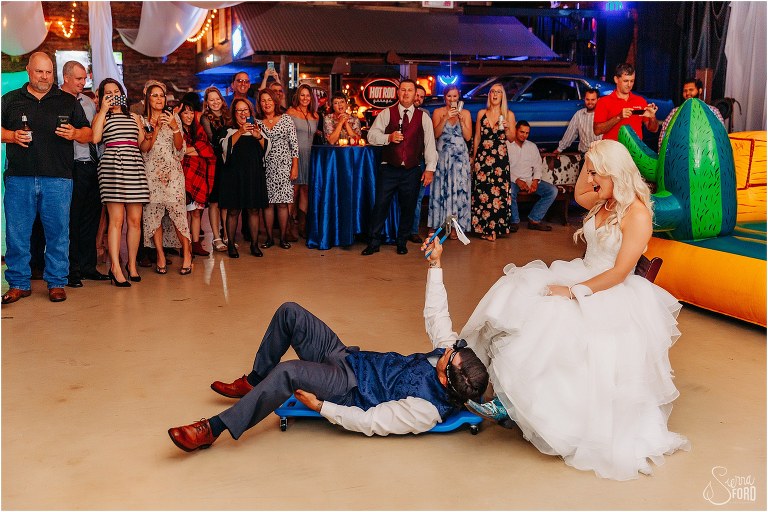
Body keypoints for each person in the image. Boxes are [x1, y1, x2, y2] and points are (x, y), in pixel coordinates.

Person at [461, 139, 690, 480]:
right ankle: (507, 395)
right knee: (522, 291)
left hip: (610, 289)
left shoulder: (637, 213)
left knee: (553, 317)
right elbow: (582, 192)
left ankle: (512, 404)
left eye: (598, 173)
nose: (591, 180)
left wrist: (574, 292)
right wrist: (588, 160)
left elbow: (619, 272)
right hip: (584, 273)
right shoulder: (604, 200)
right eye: (591, 172)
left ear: (615, 173)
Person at [167, 253, 489, 452]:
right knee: (290, 312)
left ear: (446, 380)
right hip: (347, 357)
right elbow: (437, 315)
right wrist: (435, 263)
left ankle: (214, 429)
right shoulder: (450, 355)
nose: (450, 348)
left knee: (289, 372)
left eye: (451, 355)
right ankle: (255, 381)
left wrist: (322, 407)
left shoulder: (426, 410)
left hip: (346, 388)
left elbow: (372, 421)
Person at [1, 52, 93, 304]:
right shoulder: (10, 100)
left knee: (58, 234)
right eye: (39, 71)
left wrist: (75, 133)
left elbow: (88, 133)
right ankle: (18, 284)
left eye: (49, 72)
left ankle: (56, 282)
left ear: (54, 73)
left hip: (58, 179)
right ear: (28, 71)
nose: (44, 77)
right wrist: (11, 136)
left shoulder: (67, 101)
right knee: (17, 235)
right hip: (19, 178)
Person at [363, 79, 438, 256]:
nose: (406, 93)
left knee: (408, 207)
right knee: (380, 205)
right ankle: (373, 242)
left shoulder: (423, 117)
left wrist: (430, 169)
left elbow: (430, 144)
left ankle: (401, 242)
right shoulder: (386, 113)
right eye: (403, 90)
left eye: (409, 90)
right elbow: (371, 136)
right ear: (398, 93)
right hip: (389, 168)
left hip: (412, 170)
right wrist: (388, 138)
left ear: (415, 94)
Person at [92, 78, 150, 286]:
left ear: (122, 93)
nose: (113, 95)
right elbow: (95, 138)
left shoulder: (134, 117)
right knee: (116, 221)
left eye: (116, 91)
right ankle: (115, 267)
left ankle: (131, 265)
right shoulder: (101, 117)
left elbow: (143, 146)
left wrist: (150, 136)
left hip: (135, 165)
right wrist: (103, 110)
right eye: (108, 93)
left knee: (135, 220)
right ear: (102, 97)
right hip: (112, 167)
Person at [59, 60, 110, 287]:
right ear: (66, 77)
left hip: (92, 164)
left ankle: (89, 267)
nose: (83, 82)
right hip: (71, 167)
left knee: (91, 218)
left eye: (84, 78)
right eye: (79, 78)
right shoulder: (57, 101)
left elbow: (95, 134)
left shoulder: (88, 102)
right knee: (72, 220)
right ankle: (71, 270)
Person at [139, 81, 193, 276]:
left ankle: (187, 254)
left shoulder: (174, 118)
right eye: (154, 95)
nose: (159, 99)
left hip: (173, 173)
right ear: (148, 99)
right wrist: (154, 129)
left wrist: (175, 127)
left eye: (161, 95)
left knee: (178, 215)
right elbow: (144, 149)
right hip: (152, 173)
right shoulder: (142, 120)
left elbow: (179, 148)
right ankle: (160, 255)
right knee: (154, 216)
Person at [218, 98, 269, 258]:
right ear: (234, 113)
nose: (243, 113)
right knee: (233, 210)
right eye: (239, 110)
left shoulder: (257, 128)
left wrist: (258, 137)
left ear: (250, 112)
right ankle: (231, 245)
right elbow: (224, 148)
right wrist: (240, 131)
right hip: (234, 176)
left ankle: (254, 245)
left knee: (254, 210)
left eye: (245, 110)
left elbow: (267, 149)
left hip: (253, 174)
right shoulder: (228, 130)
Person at [470, 82, 516, 242]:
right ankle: (484, 228)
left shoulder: (509, 114)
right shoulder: (481, 113)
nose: (495, 94)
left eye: (498, 92)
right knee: (482, 192)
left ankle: (495, 229)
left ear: (503, 96)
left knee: (498, 193)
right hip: (483, 157)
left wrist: (508, 128)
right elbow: (477, 137)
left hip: (499, 159)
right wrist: (474, 159)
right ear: (489, 95)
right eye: (492, 92)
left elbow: (512, 138)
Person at [256, 88, 299, 250]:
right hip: (265, 166)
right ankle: (269, 238)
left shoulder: (286, 119)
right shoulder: (257, 122)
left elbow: (294, 145)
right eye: (263, 100)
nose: (266, 103)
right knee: (268, 204)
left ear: (275, 101)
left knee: (282, 203)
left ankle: (282, 238)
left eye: (269, 100)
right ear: (260, 104)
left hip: (284, 166)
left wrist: (294, 167)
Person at [428, 84, 472, 236]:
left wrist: (461, 120)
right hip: (443, 155)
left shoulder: (465, 113)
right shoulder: (438, 112)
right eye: (449, 96)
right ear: (444, 97)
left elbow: (468, 137)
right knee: (441, 189)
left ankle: (455, 226)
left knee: (458, 190)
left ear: (458, 97)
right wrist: (445, 118)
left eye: (454, 96)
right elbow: (435, 134)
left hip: (460, 156)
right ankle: (437, 224)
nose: (452, 99)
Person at [179, 100, 216, 257]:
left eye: (191, 112)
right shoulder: (176, 130)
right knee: (183, 215)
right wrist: (196, 151)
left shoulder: (199, 129)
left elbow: (207, 149)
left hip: (198, 176)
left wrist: (188, 150)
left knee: (196, 213)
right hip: (181, 177)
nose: (189, 116)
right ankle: (184, 245)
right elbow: (178, 151)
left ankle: (195, 244)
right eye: (185, 112)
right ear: (179, 115)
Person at [507, 120, 558, 232]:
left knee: (552, 191)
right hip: (513, 180)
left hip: (529, 179)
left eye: (527, 133)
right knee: (510, 191)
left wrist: (535, 181)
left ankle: (534, 220)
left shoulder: (532, 146)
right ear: (515, 130)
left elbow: (538, 166)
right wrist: (517, 180)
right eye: (522, 132)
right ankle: (514, 222)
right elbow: (504, 169)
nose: (524, 135)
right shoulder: (506, 145)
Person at [200, 86, 232, 252]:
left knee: (226, 201)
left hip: (229, 162)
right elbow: (212, 140)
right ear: (207, 102)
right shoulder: (205, 118)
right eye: (211, 100)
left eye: (217, 98)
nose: (215, 102)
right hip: (214, 162)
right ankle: (216, 237)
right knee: (214, 202)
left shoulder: (228, 115)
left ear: (222, 99)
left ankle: (227, 235)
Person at [286, 84, 320, 239]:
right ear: (297, 96)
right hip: (295, 156)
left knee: (306, 190)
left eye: (308, 95)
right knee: (293, 191)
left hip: (310, 156)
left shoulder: (315, 115)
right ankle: (288, 225)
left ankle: (302, 225)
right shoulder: (290, 112)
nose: (305, 98)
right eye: (302, 95)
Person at [593, 63, 659, 141]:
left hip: (634, 147)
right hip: (613, 147)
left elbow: (654, 129)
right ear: (616, 79)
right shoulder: (604, 102)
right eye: (625, 81)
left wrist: (652, 117)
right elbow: (597, 131)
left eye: (632, 81)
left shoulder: (640, 101)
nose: (629, 85)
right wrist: (619, 117)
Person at [658, 78, 725, 145]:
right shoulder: (675, 112)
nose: (687, 93)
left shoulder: (713, 111)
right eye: (685, 91)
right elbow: (664, 133)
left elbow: (721, 134)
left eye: (691, 90)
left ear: (700, 91)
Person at [408, 84, 430, 244]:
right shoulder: (399, 112)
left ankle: (413, 231)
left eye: (422, 97)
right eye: (417, 95)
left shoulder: (425, 114)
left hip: (420, 160)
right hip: (403, 160)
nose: (418, 99)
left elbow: (429, 141)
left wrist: (429, 166)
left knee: (417, 197)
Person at [553, 88, 602, 158]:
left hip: (600, 155)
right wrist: (559, 149)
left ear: (598, 100)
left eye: (593, 100)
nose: (590, 102)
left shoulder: (603, 114)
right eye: (587, 99)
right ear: (584, 99)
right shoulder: (579, 114)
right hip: (584, 155)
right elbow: (570, 133)